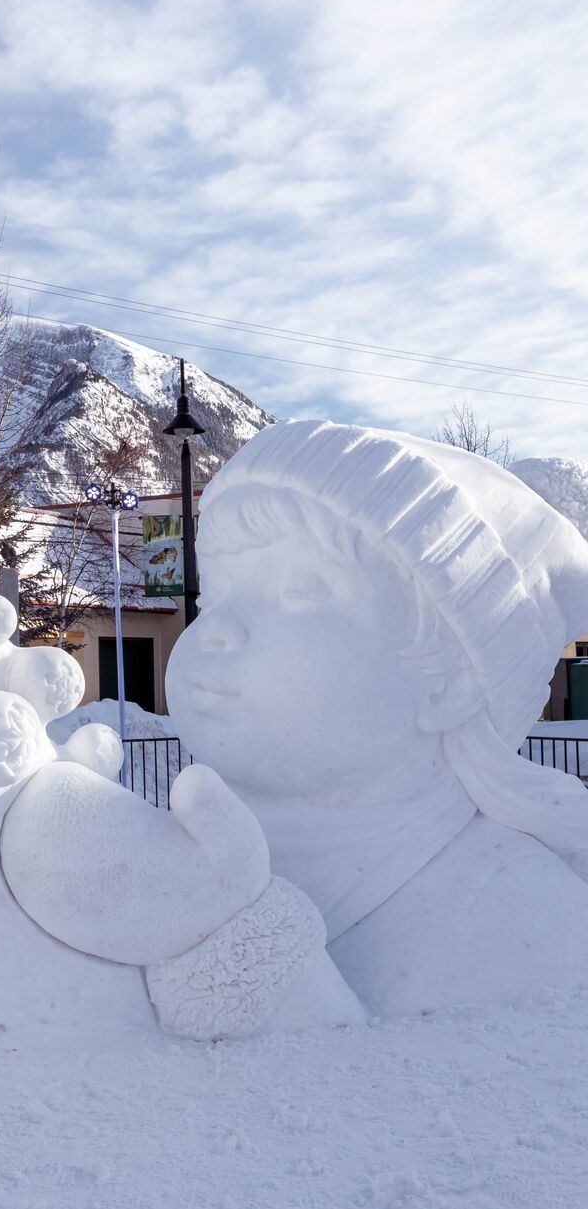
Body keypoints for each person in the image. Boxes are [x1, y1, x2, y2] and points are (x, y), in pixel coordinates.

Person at [167, 419, 588, 1016]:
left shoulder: (522, 922)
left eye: (305, 590)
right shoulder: (166, 855)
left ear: (451, 681)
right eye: (217, 595)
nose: (216, 631)